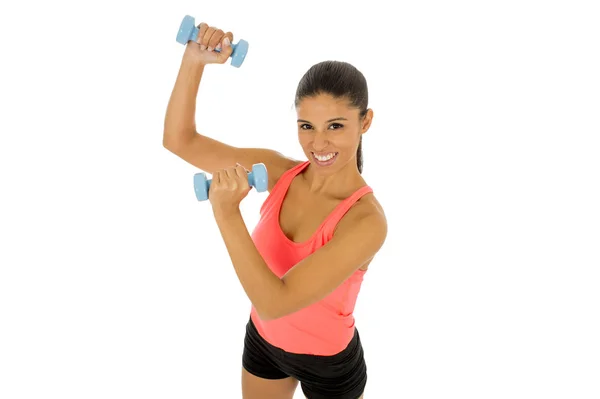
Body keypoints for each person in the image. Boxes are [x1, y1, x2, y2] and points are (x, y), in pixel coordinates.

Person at [163, 22, 388, 399]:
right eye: (306, 126)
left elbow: (275, 302)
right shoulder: (278, 172)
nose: (319, 143)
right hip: (264, 344)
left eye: (335, 125)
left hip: (329, 364)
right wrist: (193, 60)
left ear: (365, 121)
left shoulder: (366, 222)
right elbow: (178, 139)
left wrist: (227, 213)